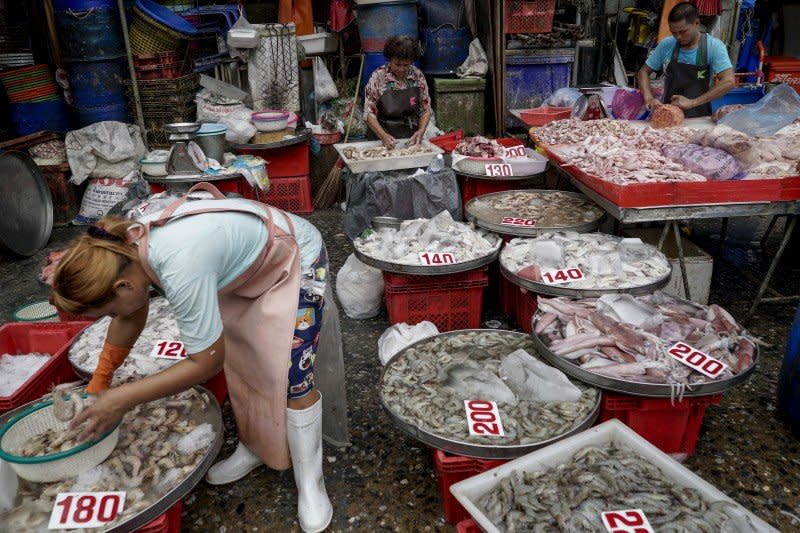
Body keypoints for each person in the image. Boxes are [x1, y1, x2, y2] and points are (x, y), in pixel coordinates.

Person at [51, 183, 333, 533]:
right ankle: (258, 447)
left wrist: (119, 399)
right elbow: (129, 315)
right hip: (248, 270)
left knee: (293, 375)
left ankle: (311, 482)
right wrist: (100, 382)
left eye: (106, 311)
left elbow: (206, 362)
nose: (112, 317)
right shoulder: (124, 253)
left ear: (121, 288)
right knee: (246, 361)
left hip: (294, 257)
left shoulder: (179, 263)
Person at [637, 2, 734, 118]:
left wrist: (692, 102)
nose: (678, 37)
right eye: (674, 33)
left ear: (696, 23)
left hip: (699, 117)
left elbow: (729, 82)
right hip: (668, 115)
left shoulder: (714, 46)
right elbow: (643, 72)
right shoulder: (667, 44)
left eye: (683, 32)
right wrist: (648, 97)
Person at [363, 35, 432, 149]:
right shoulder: (378, 77)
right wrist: (383, 136)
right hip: (382, 137)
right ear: (390, 60)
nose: (401, 69)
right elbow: (368, 113)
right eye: (397, 64)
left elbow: (425, 109)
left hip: (410, 139)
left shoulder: (417, 76)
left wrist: (421, 131)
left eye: (406, 65)